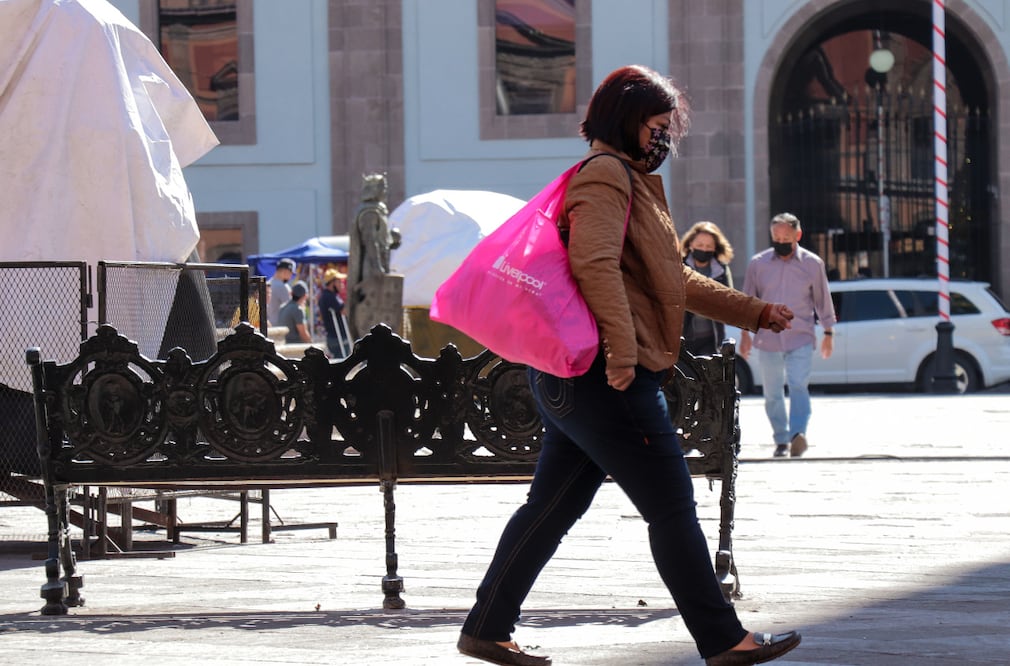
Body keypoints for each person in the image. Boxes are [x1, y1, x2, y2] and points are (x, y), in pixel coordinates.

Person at [457, 64, 801, 666]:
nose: (663, 140)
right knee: (670, 506)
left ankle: (487, 627)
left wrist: (753, 312)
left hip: (579, 380)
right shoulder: (606, 177)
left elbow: (670, 277)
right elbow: (594, 265)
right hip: (606, 376)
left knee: (552, 507)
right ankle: (723, 639)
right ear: (627, 119)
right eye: (657, 126)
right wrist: (620, 351)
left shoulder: (624, 180)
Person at [739, 212, 837, 458]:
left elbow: (822, 300)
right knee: (772, 392)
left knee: (798, 384)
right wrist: (745, 335)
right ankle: (781, 439)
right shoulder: (758, 264)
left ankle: (797, 434)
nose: (781, 241)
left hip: (801, 335)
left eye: (786, 237)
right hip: (768, 337)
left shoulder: (813, 264)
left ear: (798, 235)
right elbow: (748, 301)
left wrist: (828, 333)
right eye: (777, 237)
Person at [681, 220, 735, 356]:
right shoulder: (679, 267)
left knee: (708, 376)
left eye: (708, 246)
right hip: (683, 337)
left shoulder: (721, 270)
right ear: (691, 244)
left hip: (711, 339)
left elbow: (729, 301)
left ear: (715, 248)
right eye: (700, 245)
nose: (704, 249)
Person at [319, 267, 350, 357]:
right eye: (339, 282)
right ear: (332, 283)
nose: (342, 284)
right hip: (338, 337)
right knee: (343, 363)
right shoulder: (331, 297)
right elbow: (344, 311)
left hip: (333, 337)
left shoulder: (325, 295)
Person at [267, 258, 296, 326]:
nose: (291, 276)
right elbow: (291, 309)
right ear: (285, 271)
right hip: (279, 328)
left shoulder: (267, 283)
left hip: (267, 326)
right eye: (291, 273)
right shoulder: (282, 286)